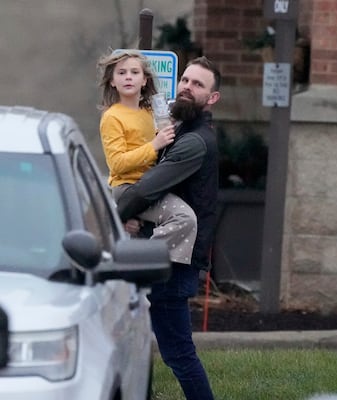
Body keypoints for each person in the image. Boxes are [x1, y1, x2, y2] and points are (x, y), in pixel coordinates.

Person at [116, 56, 221, 400]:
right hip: (163, 255)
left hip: (173, 265)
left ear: (212, 97)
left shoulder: (195, 142)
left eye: (199, 84)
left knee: (178, 354)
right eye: (186, 81)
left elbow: (148, 189)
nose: (188, 88)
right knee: (149, 350)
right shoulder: (178, 129)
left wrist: (116, 213)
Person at [97, 49, 197, 265]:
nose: (128, 77)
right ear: (112, 82)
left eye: (134, 72)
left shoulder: (151, 113)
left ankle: (144, 266)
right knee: (184, 218)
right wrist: (154, 145)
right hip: (128, 187)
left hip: (151, 186)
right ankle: (145, 262)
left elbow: (162, 149)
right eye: (121, 73)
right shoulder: (112, 117)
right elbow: (117, 163)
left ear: (144, 80)